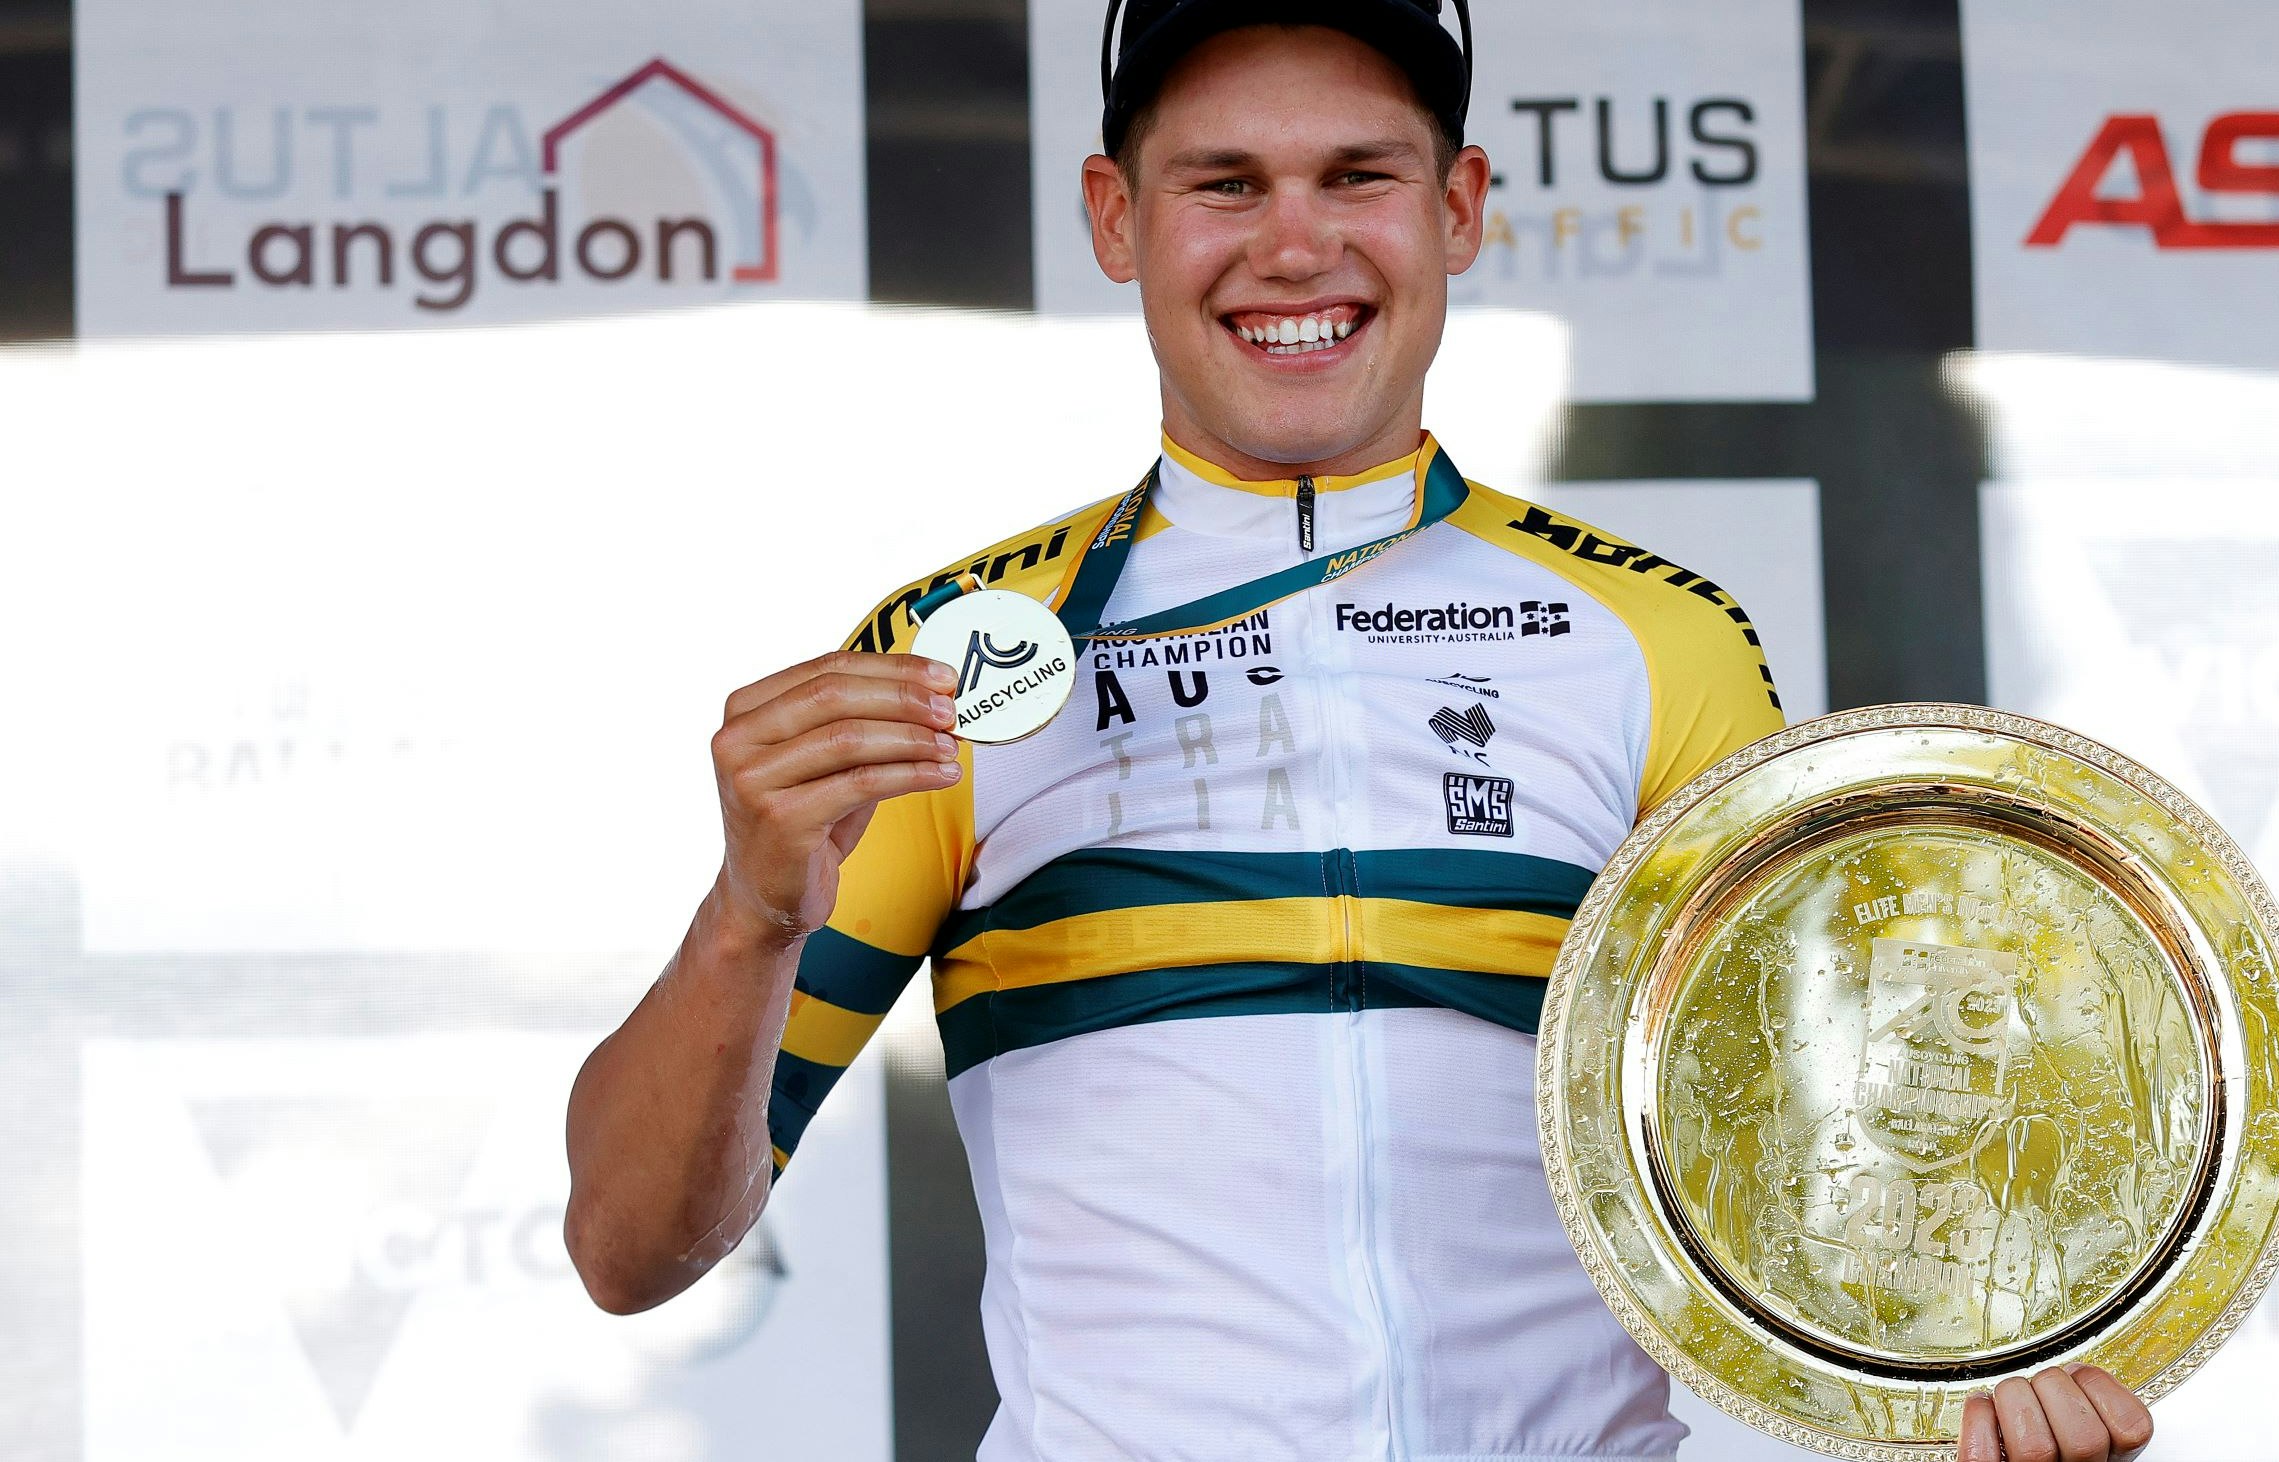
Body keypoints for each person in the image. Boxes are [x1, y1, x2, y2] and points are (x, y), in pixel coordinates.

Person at [563, 2, 2157, 1459]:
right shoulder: (967, 664)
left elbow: (1834, 1202)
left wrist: (1987, 1372)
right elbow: (631, 1245)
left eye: (1357, 175)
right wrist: (748, 916)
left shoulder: (1659, 645)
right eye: (1225, 183)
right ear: (1117, 219)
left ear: (1458, 206)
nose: (1296, 243)